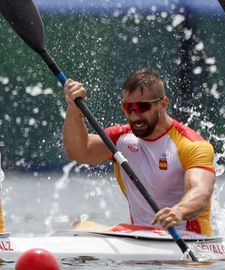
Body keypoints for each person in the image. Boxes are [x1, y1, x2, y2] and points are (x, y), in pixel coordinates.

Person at [63, 68, 216, 236]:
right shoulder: (120, 139)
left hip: (189, 240)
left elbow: (201, 191)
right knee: (79, 228)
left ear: (163, 104)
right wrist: (73, 109)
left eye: (142, 107)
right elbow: (79, 152)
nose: (135, 115)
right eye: (128, 107)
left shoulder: (190, 144)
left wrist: (179, 211)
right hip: (142, 235)